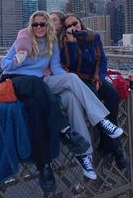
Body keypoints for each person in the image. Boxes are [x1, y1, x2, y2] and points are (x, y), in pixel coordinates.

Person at [13, 11, 123, 181]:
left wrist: (96, 77)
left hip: (60, 81)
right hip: (37, 84)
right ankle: (103, 124)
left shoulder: (56, 42)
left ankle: (85, 156)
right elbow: (9, 63)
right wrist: (21, 61)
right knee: (72, 81)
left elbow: (59, 66)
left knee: (76, 98)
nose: (41, 26)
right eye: (37, 24)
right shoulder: (27, 37)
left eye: (47, 22)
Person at [59, 12, 129, 169]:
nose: (73, 27)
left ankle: (106, 145)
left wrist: (99, 77)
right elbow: (69, 64)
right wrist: (71, 43)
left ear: (80, 22)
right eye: (68, 26)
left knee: (111, 93)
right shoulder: (64, 42)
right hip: (78, 79)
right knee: (95, 98)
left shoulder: (93, 37)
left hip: (94, 77)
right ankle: (116, 148)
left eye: (75, 23)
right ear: (65, 29)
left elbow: (102, 59)